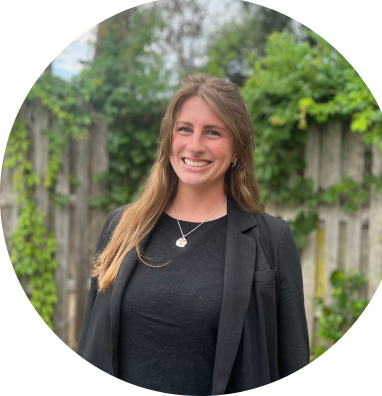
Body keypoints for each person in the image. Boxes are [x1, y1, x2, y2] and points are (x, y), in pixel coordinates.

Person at [77, 73, 309, 395]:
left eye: (213, 132)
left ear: (237, 148)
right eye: (185, 129)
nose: (195, 145)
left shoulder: (272, 240)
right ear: (169, 139)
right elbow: (90, 343)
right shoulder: (122, 226)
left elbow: (293, 363)